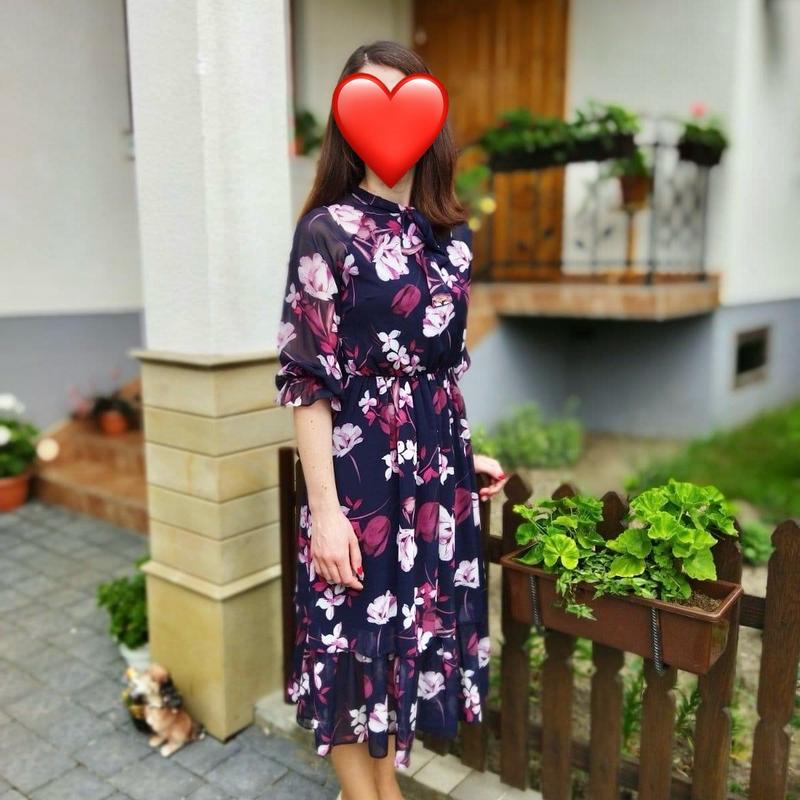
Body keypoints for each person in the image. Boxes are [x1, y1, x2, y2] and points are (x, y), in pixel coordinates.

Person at [274, 40, 506, 800]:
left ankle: (379, 792)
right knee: (349, 639)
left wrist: (461, 455)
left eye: (404, 96)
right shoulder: (327, 231)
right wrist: (325, 512)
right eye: (370, 97)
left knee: (400, 641)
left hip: (433, 477)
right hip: (357, 476)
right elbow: (308, 383)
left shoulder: (453, 238)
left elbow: (439, 370)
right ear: (347, 118)